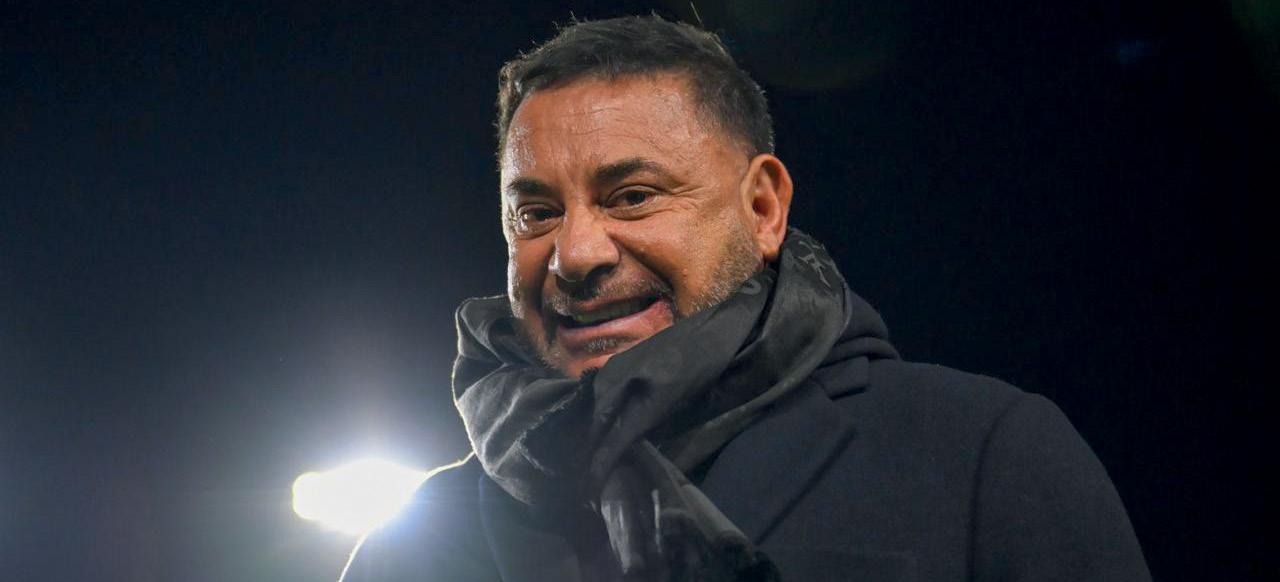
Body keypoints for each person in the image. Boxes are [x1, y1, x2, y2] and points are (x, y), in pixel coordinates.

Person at [340, 15, 1150, 582]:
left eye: (632, 197)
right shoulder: (409, 550)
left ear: (763, 209)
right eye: (536, 213)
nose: (577, 254)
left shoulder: (983, 458)